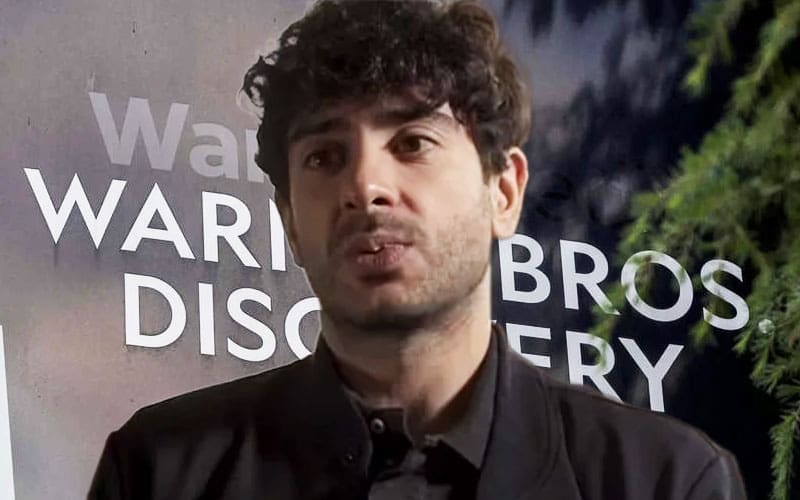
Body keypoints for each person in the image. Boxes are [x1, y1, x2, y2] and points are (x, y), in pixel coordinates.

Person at [89, 1, 747, 498]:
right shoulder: (158, 471)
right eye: (325, 156)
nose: (364, 186)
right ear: (289, 221)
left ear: (504, 191)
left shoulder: (667, 479)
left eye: (412, 143)